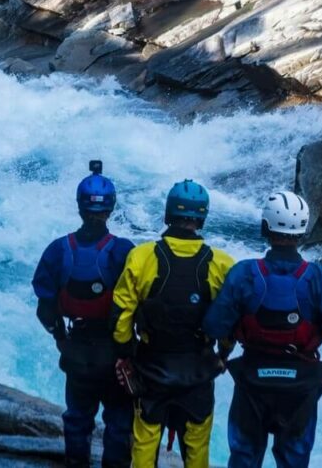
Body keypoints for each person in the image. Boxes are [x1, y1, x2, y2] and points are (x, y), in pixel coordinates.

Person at [202, 191, 322, 468]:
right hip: (300, 386)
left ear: (265, 227)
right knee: (294, 460)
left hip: (252, 378)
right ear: (303, 230)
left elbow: (214, 326)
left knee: (244, 457)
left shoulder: (243, 273)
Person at [111, 179, 235, 468]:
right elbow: (230, 321)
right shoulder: (222, 264)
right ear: (202, 218)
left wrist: (125, 354)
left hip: (151, 369)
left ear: (168, 214)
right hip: (199, 371)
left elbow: (120, 317)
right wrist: (223, 355)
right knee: (197, 448)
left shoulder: (141, 257)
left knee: (144, 444)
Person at [32, 161, 135, 468]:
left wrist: (60, 337)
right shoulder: (124, 251)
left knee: (78, 417)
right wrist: (130, 350)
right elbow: (139, 303)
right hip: (114, 351)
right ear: (110, 209)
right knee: (119, 421)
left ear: (79, 207)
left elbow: (45, 307)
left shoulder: (58, 250)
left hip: (76, 349)